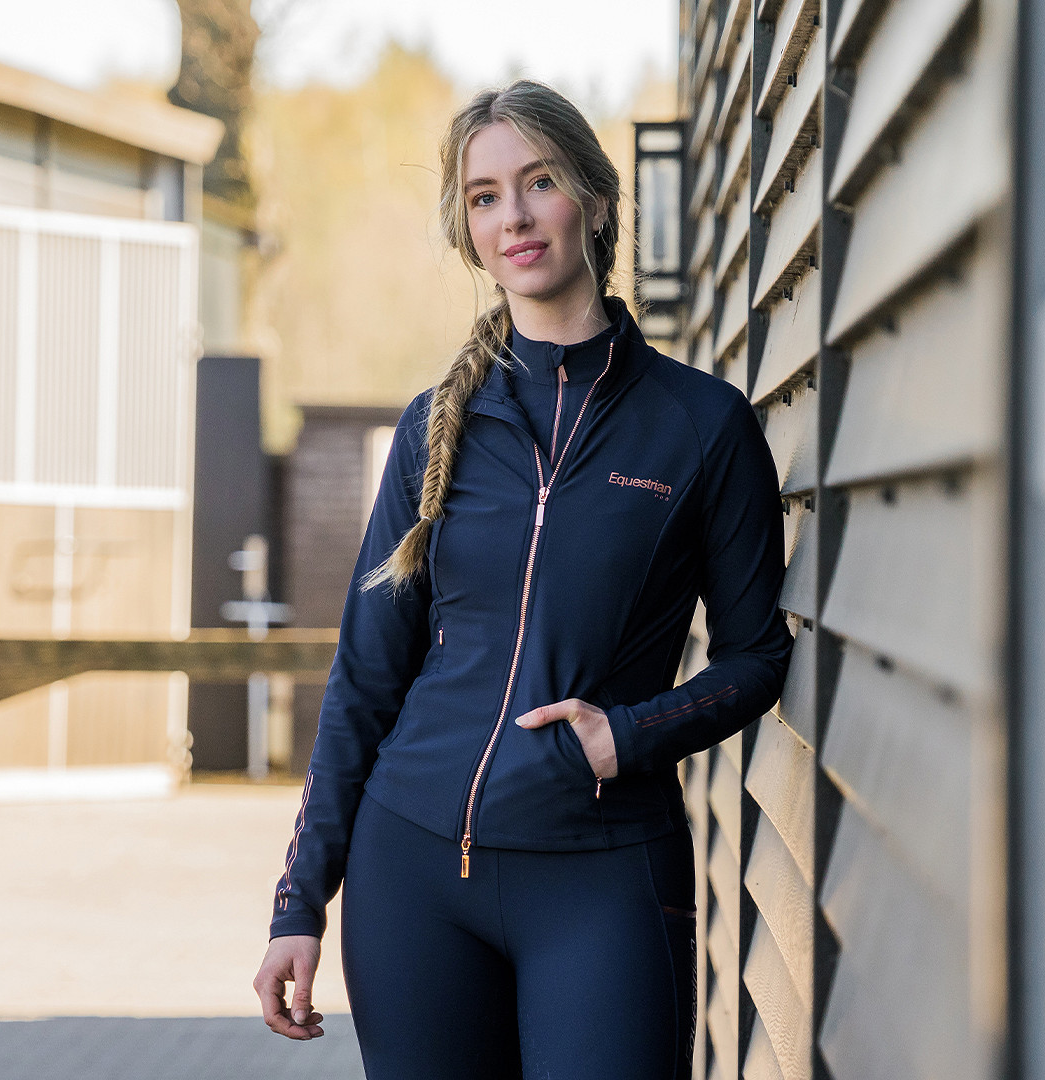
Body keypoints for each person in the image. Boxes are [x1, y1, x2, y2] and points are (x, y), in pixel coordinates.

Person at [253, 79, 793, 1080]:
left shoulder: (701, 425)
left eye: (539, 183)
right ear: (468, 230)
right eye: (485, 195)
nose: (515, 216)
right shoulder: (434, 426)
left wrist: (629, 735)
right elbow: (366, 675)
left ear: (595, 198)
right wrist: (299, 904)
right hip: (411, 873)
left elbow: (759, 656)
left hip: (603, 876)